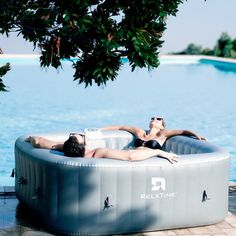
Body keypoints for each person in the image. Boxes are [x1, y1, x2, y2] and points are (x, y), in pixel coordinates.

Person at [26, 133, 178, 164]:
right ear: (84, 146)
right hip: (142, 154)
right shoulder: (98, 153)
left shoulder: (65, 150)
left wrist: (28, 138)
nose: (82, 135)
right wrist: (158, 151)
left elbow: (38, 141)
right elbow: (130, 157)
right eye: (82, 137)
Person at [100, 117, 206, 149]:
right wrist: (100, 130)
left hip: (148, 159)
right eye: (152, 118)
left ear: (162, 126)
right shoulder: (140, 132)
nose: (154, 119)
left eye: (158, 119)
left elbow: (182, 131)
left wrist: (197, 136)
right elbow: (120, 127)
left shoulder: (163, 134)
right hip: (132, 155)